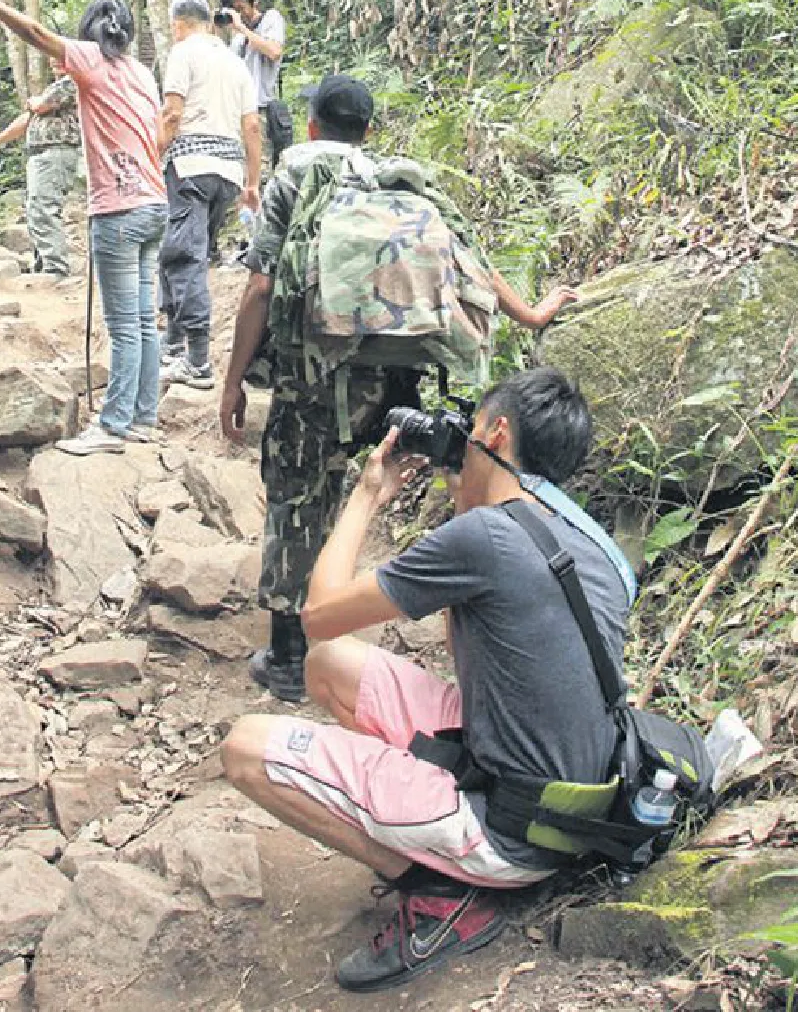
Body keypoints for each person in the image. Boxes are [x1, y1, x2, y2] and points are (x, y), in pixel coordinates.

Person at [221, 367, 629, 992]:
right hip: (569, 806)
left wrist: (367, 494)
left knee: (245, 748)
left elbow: (319, 613)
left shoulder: (485, 535)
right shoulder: (585, 535)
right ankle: (429, 831)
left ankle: (444, 895)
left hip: (511, 833)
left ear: (495, 430)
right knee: (330, 666)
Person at [219, 74, 578, 703]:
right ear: (369, 131)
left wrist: (231, 384)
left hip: (315, 374)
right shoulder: (394, 180)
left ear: (310, 126)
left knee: (299, 496)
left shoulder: (294, 175)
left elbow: (260, 287)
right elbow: (470, 258)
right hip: (396, 371)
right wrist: (530, 314)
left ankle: (288, 658)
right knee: (379, 479)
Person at [0, 0, 167, 455]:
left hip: (118, 210)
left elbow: (34, 32)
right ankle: (143, 418)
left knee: (124, 326)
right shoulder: (142, 73)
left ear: (89, 34)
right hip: (155, 204)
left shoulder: (91, 61)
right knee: (142, 321)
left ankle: (114, 426)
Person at [157, 0, 262, 391]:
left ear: (178, 25)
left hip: (190, 168)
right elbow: (251, 127)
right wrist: (252, 183)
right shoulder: (236, 64)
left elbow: (172, 114)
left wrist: (153, 157)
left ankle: (197, 361)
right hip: (228, 172)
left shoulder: (183, 54)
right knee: (178, 252)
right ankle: (172, 344)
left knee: (185, 258)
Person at [0, 57, 81, 277]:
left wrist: (34, 102)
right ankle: (43, 264)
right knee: (35, 208)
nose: (55, 61)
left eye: (60, 57)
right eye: (52, 57)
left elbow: (39, 105)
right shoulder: (54, 87)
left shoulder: (71, 82)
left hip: (56, 152)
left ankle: (55, 268)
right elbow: (27, 117)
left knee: (44, 207)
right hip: (41, 155)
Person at [218, 0, 286, 167]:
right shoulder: (238, 38)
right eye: (233, 9)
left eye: (241, 8)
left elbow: (274, 51)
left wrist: (243, 29)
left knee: (260, 171)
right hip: (235, 114)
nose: (239, 14)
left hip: (260, 111)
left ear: (255, 1)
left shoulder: (270, 19)